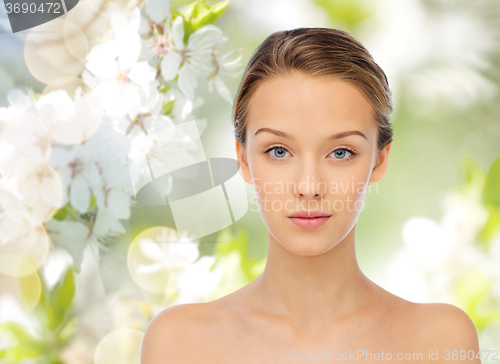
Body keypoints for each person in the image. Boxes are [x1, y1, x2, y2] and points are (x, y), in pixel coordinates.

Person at [141, 28, 481, 363]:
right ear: (243, 159)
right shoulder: (180, 343)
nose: (309, 187)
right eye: (278, 151)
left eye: (341, 152)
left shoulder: (438, 340)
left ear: (379, 159)